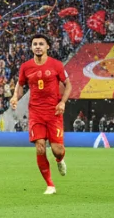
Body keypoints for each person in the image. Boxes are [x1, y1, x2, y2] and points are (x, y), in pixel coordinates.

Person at [10, 34, 70, 195]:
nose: (38, 46)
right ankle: (50, 185)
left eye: (41, 44)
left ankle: (60, 159)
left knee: (57, 149)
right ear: (31, 47)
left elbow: (68, 85)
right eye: (35, 44)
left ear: (47, 47)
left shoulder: (56, 65)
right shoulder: (26, 67)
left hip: (54, 112)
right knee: (40, 147)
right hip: (36, 113)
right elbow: (20, 85)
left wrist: (63, 102)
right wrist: (15, 97)